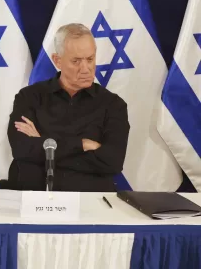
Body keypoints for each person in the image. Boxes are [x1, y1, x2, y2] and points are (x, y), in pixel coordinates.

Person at [7, 23, 129, 192]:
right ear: (57, 60)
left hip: (91, 203)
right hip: (33, 197)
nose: (85, 69)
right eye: (76, 61)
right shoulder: (29, 97)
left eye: (90, 59)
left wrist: (45, 144)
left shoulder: (113, 105)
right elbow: (22, 150)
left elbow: (113, 162)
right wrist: (83, 144)